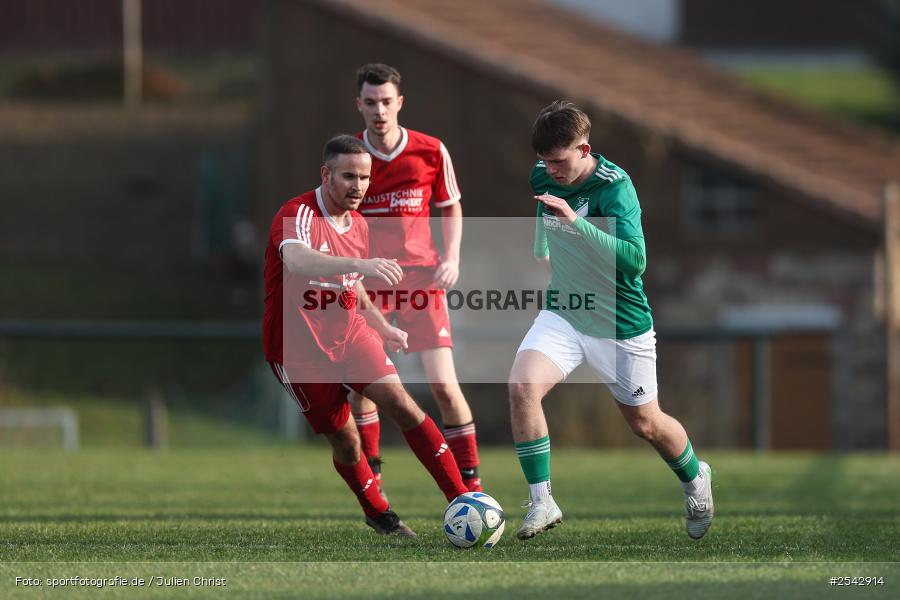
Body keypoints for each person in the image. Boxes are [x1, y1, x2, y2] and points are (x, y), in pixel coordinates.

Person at [508, 101, 714, 541]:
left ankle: (696, 479)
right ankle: (542, 502)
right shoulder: (543, 173)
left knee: (646, 424)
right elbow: (544, 210)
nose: (550, 170)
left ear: (584, 149)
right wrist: (542, 244)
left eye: (559, 161)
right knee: (522, 387)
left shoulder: (616, 188)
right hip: (565, 309)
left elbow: (635, 261)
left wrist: (574, 223)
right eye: (545, 161)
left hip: (620, 320)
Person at [262, 134, 469, 537]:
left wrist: (381, 325)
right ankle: (380, 515)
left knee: (403, 404)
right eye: (348, 177)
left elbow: (352, 284)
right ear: (326, 175)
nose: (358, 186)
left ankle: (463, 499)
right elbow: (298, 259)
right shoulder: (298, 213)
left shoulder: (357, 223)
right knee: (346, 441)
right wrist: (361, 263)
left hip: (351, 334)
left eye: (364, 177)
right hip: (297, 352)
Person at [348, 63, 482, 495]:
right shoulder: (351, 158)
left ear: (400, 102)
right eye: (371, 102)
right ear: (359, 105)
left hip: (422, 281)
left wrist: (452, 257)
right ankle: (374, 481)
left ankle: (472, 486)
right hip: (370, 284)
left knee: (444, 386)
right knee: (364, 388)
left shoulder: (430, 150)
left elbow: (450, 204)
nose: (379, 111)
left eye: (386, 101)